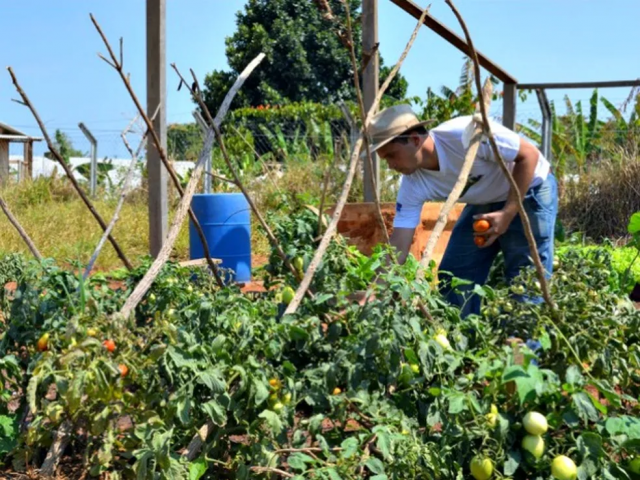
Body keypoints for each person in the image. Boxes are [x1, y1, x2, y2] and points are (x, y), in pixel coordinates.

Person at [356, 104, 558, 317]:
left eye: (391, 155)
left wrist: (508, 213)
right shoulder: (412, 183)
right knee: (455, 272)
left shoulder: (465, 135)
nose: (390, 165)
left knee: (525, 275)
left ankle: (522, 346)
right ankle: (461, 337)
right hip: (485, 198)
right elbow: (399, 241)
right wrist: (375, 291)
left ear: (415, 139)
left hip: (529, 189)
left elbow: (529, 155)